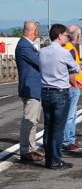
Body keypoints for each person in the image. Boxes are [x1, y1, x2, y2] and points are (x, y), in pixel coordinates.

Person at [39, 24, 80, 170]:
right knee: (58, 128)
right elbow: (76, 68)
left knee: (48, 126)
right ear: (59, 36)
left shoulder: (42, 52)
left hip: (45, 91)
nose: (67, 38)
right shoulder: (64, 53)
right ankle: (56, 160)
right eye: (66, 35)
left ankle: (48, 159)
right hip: (60, 92)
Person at [15, 20, 44, 164]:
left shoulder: (26, 45)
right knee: (29, 120)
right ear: (35, 32)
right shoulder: (24, 46)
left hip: (34, 88)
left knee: (34, 120)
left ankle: (31, 148)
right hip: (30, 88)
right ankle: (25, 150)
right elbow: (40, 61)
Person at [62, 25, 82, 152]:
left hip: (71, 86)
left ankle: (71, 139)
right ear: (78, 36)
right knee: (70, 116)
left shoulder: (69, 47)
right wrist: (75, 84)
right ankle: (67, 141)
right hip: (71, 86)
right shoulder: (70, 49)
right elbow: (70, 70)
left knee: (72, 115)